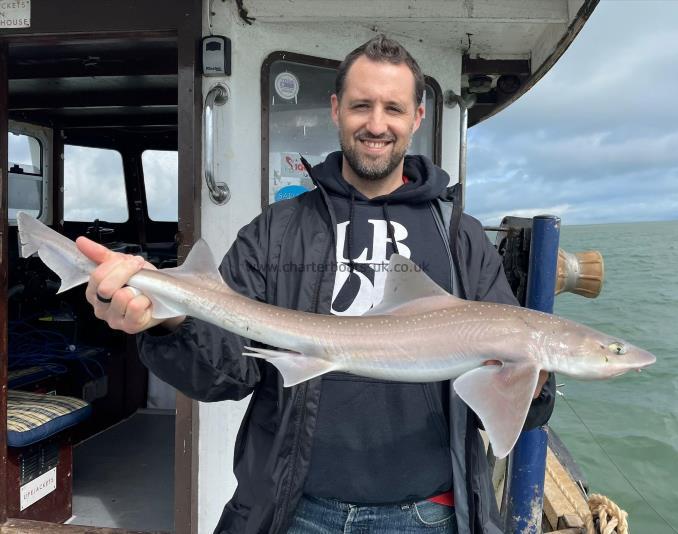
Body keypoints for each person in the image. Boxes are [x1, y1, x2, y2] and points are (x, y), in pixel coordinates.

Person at [77, 35, 555, 534]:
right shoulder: (278, 231)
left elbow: (516, 403)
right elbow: (225, 373)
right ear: (335, 109)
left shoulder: (460, 238)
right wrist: (167, 322)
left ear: (417, 117)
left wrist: (535, 383)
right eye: (361, 105)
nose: (376, 124)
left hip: (428, 513)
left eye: (393, 108)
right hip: (295, 510)